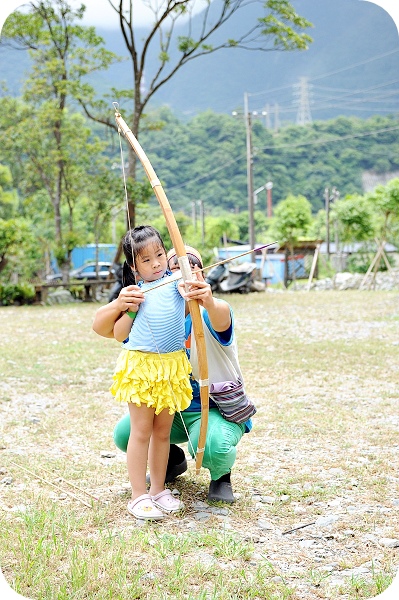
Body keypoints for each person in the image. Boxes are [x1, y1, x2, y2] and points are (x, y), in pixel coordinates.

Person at [95, 244, 253, 504]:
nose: (185, 269)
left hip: (211, 408)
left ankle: (221, 476)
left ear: (201, 271)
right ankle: (172, 462)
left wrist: (208, 300)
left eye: (192, 262)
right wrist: (120, 303)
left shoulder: (214, 307)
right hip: (175, 406)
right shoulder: (155, 308)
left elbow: (221, 318)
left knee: (212, 445)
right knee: (128, 434)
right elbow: (105, 327)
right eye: (176, 264)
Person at [92, 225, 192, 520]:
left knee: (163, 434)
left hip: (171, 365)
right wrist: (131, 307)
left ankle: (159, 489)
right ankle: (138, 494)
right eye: (146, 260)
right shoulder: (134, 293)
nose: (157, 263)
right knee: (141, 432)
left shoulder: (176, 284)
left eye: (160, 255)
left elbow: (189, 312)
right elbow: (118, 333)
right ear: (134, 266)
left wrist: (192, 286)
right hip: (141, 366)